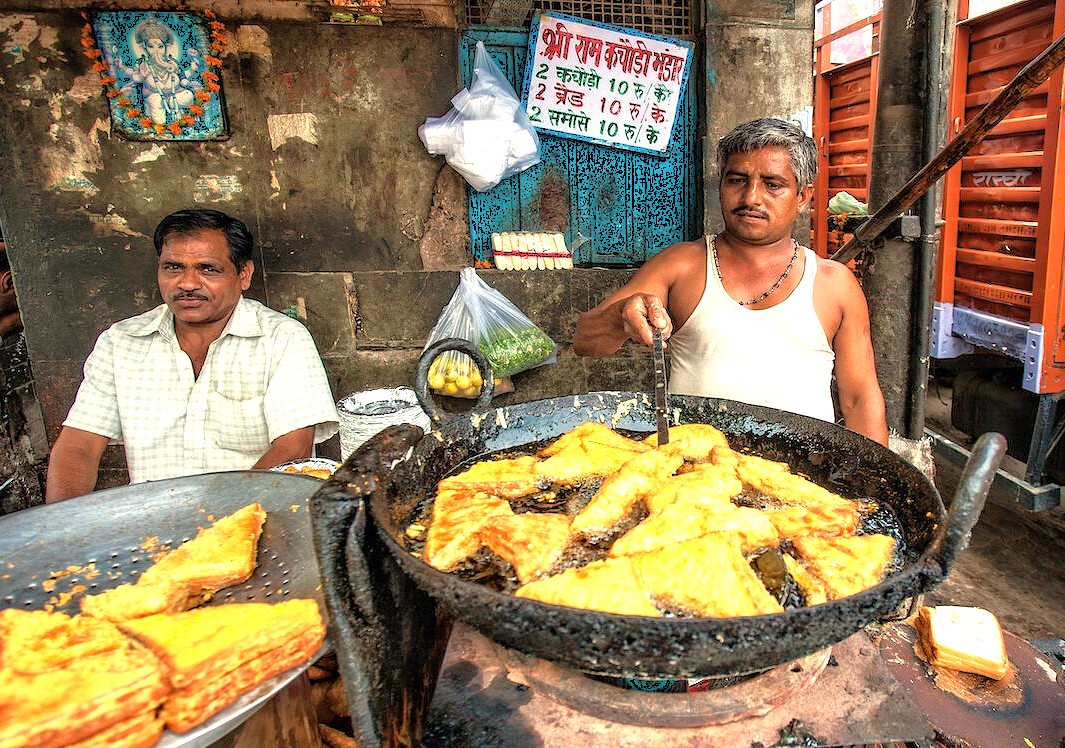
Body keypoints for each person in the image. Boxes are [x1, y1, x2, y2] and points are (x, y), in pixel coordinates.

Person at [573, 117, 888, 445]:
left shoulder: (834, 284)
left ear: (802, 196)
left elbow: (860, 399)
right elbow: (585, 341)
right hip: (692, 475)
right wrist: (621, 315)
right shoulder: (682, 264)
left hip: (800, 478)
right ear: (721, 185)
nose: (751, 197)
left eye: (772, 184)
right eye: (737, 180)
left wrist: (879, 489)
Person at [45, 209, 339, 501]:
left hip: (256, 517)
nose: (187, 283)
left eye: (208, 269)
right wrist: (62, 527)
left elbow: (293, 450)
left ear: (244, 274)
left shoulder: (282, 339)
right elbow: (78, 446)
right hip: (151, 523)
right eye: (173, 267)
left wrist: (214, 523)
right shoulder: (120, 343)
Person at [122, 16, 198, 125]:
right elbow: (135, 77)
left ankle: (172, 106)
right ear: (144, 47)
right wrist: (142, 76)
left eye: (160, 46)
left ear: (166, 47)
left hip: (175, 94)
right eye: (151, 46)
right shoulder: (142, 63)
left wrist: (192, 69)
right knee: (156, 100)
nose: (156, 51)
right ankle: (160, 127)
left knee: (188, 95)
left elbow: (182, 77)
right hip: (153, 96)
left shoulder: (171, 62)